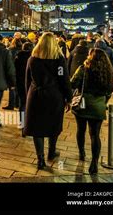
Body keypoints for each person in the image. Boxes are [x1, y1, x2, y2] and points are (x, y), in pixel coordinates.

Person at [24, 32, 72, 170]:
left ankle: (40, 159)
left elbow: (27, 80)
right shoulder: (59, 61)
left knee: (36, 128)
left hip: (36, 96)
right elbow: (64, 80)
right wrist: (68, 98)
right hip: (54, 96)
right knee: (53, 124)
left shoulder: (32, 59)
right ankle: (52, 151)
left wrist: (28, 95)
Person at [70, 48, 113, 174]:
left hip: (83, 104)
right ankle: (94, 163)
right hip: (99, 105)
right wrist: (103, 102)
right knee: (95, 134)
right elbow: (110, 89)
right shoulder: (107, 71)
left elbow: (72, 83)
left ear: (90, 57)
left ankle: (82, 153)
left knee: (81, 129)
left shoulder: (83, 69)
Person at [14, 42, 33, 134]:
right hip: (30, 85)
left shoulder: (18, 57)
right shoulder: (33, 58)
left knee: (22, 104)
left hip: (20, 84)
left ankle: (22, 124)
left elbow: (14, 71)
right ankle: (28, 124)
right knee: (30, 104)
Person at [4, 37, 23, 110]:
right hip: (19, 71)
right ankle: (17, 104)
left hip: (11, 70)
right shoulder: (22, 50)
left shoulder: (9, 50)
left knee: (12, 87)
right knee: (18, 88)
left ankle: (11, 104)